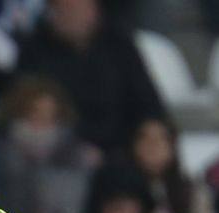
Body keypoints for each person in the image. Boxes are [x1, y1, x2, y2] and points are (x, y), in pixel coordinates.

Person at [17, 0, 164, 157]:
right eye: (67, 8)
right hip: (58, 153)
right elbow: (22, 106)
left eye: (81, 7)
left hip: (120, 151)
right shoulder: (35, 51)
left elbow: (149, 104)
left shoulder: (119, 46)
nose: (75, 14)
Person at [0, 76, 96, 213]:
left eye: (49, 114)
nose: (42, 120)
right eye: (36, 112)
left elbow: (79, 206)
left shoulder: (74, 155)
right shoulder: (0, 151)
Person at [127, 116, 219, 213]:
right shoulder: (122, 192)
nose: (152, 146)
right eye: (145, 139)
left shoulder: (193, 193)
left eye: (160, 139)